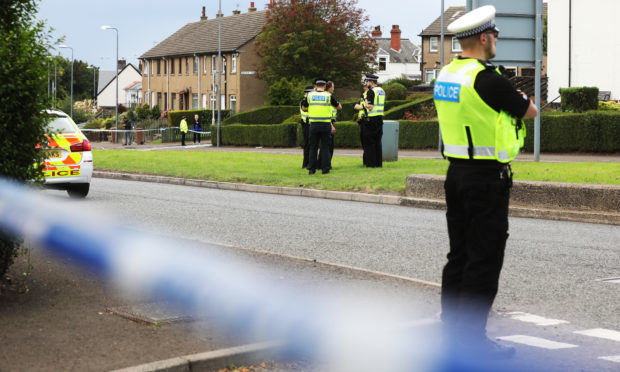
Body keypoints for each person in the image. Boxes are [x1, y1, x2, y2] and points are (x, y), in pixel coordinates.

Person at [434, 5, 538, 361]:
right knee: (484, 258)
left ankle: (452, 333)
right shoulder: (487, 78)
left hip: (456, 174)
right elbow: (530, 111)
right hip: (486, 179)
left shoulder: (447, 73)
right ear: (484, 37)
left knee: (459, 255)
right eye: (494, 36)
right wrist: (523, 96)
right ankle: (472, 341)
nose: (496, 41)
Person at [301, 78, 341, 174]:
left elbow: (304, 108)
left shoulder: (310, 95)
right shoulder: (328, 96)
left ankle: (311, 169)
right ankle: (325, 169)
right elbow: (339, 107)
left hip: (313, 124)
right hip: (325, 124)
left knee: (313, 147)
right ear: (324, 86)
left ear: (316, 86)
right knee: (325, 147)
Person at [362, 74, 385, 168]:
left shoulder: (371, 92)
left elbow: (370, 107)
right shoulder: (381, 90)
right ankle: (378, 163)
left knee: (369, 142)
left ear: (371, 82)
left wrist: (365, 100)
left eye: (367, 82)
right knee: (378, 142)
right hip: (379, 118)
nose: (366, 83)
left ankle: (371, 164)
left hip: (371, 119)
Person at [318, 81, 337, 167]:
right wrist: (331, 126)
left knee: (325, 146)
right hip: (328, 123)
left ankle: (321, 164)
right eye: (333, 87)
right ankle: (325, 164)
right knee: (328, 146)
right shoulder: (327, 97)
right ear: (329, 88)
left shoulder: (327, 97)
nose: (334, 88)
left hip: (328, 122)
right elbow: (326, 114)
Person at [354, 85, 369, 166]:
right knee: (363, 142)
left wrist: (362, 107)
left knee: (366, 142)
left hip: (367, 121)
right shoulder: (362, 98)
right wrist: (363, 107)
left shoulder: (369, 97)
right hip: (361, 122)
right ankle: (365, 161)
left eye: (365, 87)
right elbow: (356, 106)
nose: (364, 89)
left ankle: (366, 161)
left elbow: (368, 107)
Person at [300, 85, 314, 169]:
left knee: (310, 144)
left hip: (310, 123)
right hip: (306, 124)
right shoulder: (304, 101)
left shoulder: (307, 100)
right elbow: (305, 109)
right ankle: (306, 163)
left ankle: (308, 163)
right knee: (308, 145)